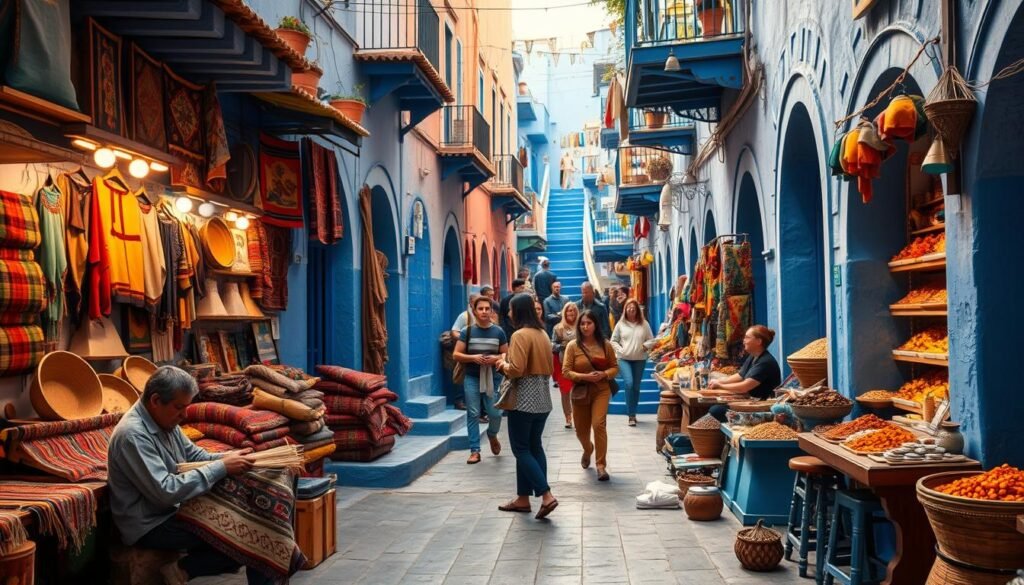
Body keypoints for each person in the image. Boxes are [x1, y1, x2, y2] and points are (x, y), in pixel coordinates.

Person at [107, 366, 268, 584]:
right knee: (244, 536)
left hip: (174, 511)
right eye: (179, 408)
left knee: (254, 519)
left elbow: (194, 455)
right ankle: (185, 568)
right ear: (155, 400)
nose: (184, 415)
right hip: (151, 524)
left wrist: (230, 457)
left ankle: (183, 570)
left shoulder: (164, 419)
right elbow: (166, 491)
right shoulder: (132, 435)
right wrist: (222, 468)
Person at [496, 294, 559, 519]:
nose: (509, 313)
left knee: (521, 449)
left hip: (524, 398)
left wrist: (502, 363)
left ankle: (546, 495)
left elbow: (516, 369)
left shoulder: (520, 335)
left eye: (512, 309)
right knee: (534, 447)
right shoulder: (542, 333)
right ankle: (523, 499)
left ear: (519, 311)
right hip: (543, 396)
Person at [562, 310, 619, 482]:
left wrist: (604, 375)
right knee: (581, 431)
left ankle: (601, 465)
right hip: (581, 392)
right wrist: (584, 377)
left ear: (595, 325)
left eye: (589, 323)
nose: (585, 326)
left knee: (598, 424)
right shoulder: (573, 346)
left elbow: (615, 368)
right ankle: (588, 449)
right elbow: (566, 371)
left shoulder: (605, 345)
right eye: (582, 324)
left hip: (601, 389)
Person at [452, 296, 507, 464]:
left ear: (491, 311)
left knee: (495, 413)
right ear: (474, 311)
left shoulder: (498, 331)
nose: (484, 311)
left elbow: (507, 354)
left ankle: (492, 435)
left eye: (487, 309)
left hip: (493, 377)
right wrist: (473, 357)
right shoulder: (467, 331)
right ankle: (475, 450)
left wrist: (496, 358)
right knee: (473, 413)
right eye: (480, 308)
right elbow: (456, 354)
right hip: (472, 377)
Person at [703, 325, 782, 422]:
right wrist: (720, 381)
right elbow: (740, 375)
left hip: (762, 409)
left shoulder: (765, 362)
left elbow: (744, 387)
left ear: (759, 341)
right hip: (752, 403)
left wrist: (720, 385)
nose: (744, 340)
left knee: (716, 410)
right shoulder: (754, 356)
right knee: (715, 407)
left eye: (747, 337)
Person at [610, 298, 654, 427]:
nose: (631, 309)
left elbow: (652, 339)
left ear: (637, 310)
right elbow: (613, 340)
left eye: (633, 308)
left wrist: (645, 346)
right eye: (628, 307)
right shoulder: (620, 324)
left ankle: (633, 413)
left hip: (639, 359)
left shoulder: (644, 324)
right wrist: (620, 350)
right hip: (624, 359)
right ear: (625, 309)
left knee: (636, 386)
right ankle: (631, 415)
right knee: (629, 383)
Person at [551, 302, 579, 428]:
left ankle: (579, 415)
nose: (571, 313)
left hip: (579, 364)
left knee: (578, 391)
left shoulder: (582, 326)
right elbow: (552, 345)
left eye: (573, 310)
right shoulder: (558, 328)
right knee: (565, 391)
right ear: (564, 312)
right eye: (568, 311)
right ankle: (568, 417)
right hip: (562, 363)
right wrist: (561, 346)